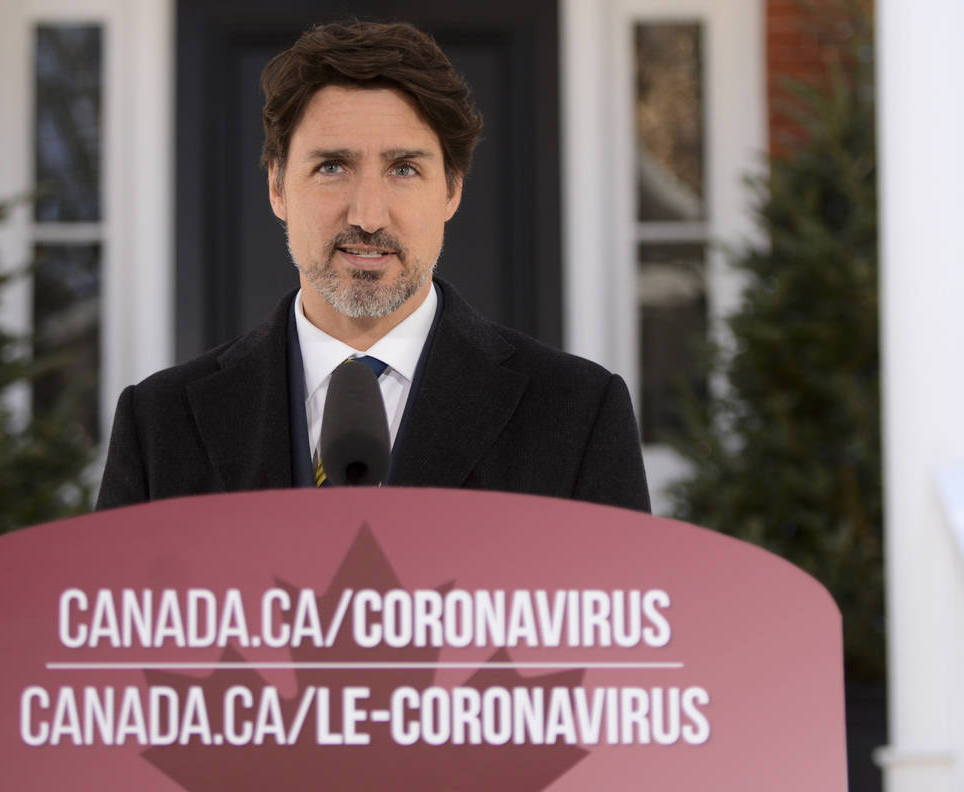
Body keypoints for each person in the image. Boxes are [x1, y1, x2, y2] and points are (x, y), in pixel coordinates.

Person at [96, 20, 650, 512]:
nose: (367, 216)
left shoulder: (579, 414)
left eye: (403, 169)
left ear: (452, 189)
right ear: (277, 187)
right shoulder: (158, 423)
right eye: (332, 166)